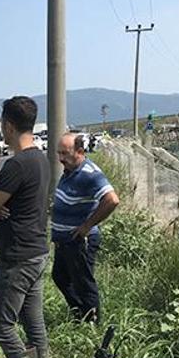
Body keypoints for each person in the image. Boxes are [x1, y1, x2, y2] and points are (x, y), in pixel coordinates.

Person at [0, 96, 50, 358]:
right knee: (34, 323)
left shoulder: (16, 164)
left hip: (17, 256)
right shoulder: (40, 159)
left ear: (8, 126)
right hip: (37, 251)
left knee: (1, 325)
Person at [51, 132, 120, 323]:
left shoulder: (89, 174)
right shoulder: (70, 171)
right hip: (65, 241)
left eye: (65, 153)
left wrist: (86, 226)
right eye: (59, 153)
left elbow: (112, 200)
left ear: (80, 152)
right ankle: (80, 314)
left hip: (79, 241)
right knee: (60, 277)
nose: (60, 158)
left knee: (83, 283)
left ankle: (91, 323)